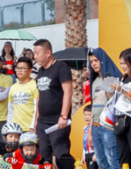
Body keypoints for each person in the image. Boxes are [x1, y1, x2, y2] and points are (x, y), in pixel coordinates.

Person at [33, 39, 74, 169]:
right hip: (42, 122)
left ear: (48, 53)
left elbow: (68, 92)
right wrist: (36, 121)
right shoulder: (40, 71)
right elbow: (40, 97)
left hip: (57, 121)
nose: (35, 56)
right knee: (43, 157)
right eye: (34, 53)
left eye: (37, 53)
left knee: (61, 155)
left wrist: (64, 116)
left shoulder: (61, 67)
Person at [88, 48, 121, 169]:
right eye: (91, 62)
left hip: (107, 126)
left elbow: (114, 102)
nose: (94, 64)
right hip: (95, 126)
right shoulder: (95, 81)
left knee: (112, 161)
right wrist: (90, 131)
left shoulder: (113, 79)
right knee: (101, 162)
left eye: (96, 60)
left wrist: (108, 85)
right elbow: (93, 106)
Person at [8, 57, 38, 132]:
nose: (19, 70)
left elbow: (37, 109)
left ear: (30, 70)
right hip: (15, 129)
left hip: (29, 129)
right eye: (18, 68)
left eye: (23, 68)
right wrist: (9, 126)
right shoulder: (13, 87)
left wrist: (32, 127)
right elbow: (11, 109)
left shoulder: (35, 85)